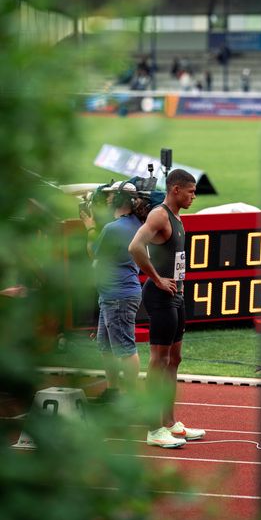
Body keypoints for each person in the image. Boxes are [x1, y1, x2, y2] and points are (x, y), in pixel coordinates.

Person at [128, 169, 205, 448]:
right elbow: (135, 246)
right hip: (160, 295)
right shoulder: (160, 215)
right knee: (158, 361)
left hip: (176, 294)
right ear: (175, 190)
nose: (194, 196)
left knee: (175, 360)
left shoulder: (178, 217)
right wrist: (156, 278)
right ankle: (153, 428)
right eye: (191, 191)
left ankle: (170, 423)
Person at [80, 181, 143, 402]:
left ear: (118, 199)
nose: (106, 199)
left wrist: (89, 226)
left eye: (109, 196)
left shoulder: (113, 229)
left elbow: (93, 253)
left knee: (125, 347)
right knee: (106, 346)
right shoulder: (135, 223)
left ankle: (133, 398)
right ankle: (114, 391)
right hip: (114, 295)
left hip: (118, 296)